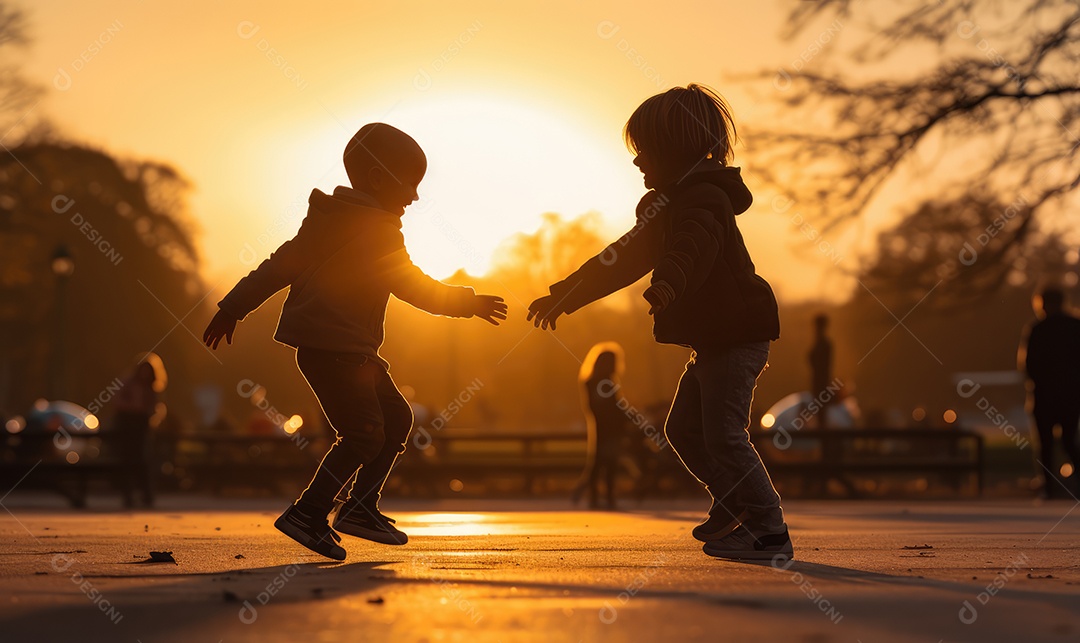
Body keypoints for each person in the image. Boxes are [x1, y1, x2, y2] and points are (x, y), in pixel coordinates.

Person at [203, 123, 508, 561]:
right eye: (411, 184)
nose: (415, 197)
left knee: (396, 420)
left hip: (346, 351)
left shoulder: (327, 223)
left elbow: (277, 266)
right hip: (336, 350)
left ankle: (361, 508)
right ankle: (308, 513)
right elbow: (413, 287)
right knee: (363, 433)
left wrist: (233, 307)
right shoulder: (378, 231)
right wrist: (467, 302)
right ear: (381, 179)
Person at [528, 84, 791, 561]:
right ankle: (735, 502)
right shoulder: (670, 205)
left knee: (725, 435)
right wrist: (567, 294)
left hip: (738, 336)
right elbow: (622, 257)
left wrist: (668, 283)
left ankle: (769, 529)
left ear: (675, 150)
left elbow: (694, 246)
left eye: (644, 151)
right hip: (716, 340)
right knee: (683, 430)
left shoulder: (703, 199)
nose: (636, 163)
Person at [1021, 286, 1080, 498]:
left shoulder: (1038, 329)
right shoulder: (1075, 326)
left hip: (1045, 396)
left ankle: (1049, 488)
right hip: (1071, 396)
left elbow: (1028, 365)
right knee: (1069, 440)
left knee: (1045, 444)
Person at [572, 342, 630, 510]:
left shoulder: (593, 381)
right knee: (606, 462)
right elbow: (612, 405)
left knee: (600, 462)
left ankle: (594, 497)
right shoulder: (603, 381)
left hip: (602, 425)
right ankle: (602, 498)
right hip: (607, 426)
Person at [113, 353, 167, 508]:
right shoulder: (128, 383)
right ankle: (128, 495)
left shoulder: (153, 387)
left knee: (141, 459)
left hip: (141, 425)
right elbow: (117, 401)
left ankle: (146, 495)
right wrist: (133, 407)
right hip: (126, 424)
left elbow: (156, 407)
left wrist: (148, 414)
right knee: (127, 459)